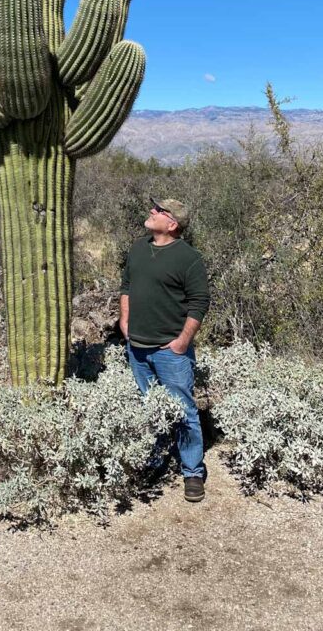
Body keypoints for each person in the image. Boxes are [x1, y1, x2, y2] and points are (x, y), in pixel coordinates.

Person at [120, 197, 210, 503]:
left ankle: (192, 471)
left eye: (159, 210)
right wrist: (125, 319)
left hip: (169, 350)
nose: (152, 212)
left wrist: (182, 341)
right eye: (154, 208)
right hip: (138, 348)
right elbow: (127, 286)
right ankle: (155, 461)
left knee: (184, 410)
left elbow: (199, 302)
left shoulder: (189, 258)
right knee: (150, 408)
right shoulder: (138, 247)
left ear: (172, 224)